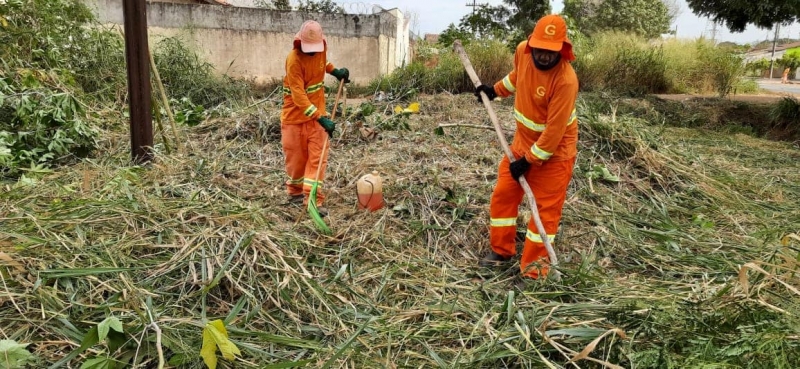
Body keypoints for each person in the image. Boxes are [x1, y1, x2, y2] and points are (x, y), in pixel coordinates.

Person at [474, 14, 579, 279]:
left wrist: (528, 162)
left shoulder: (565, 81)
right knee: (503, 195)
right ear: (532, 43)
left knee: (543, 214)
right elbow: (516, 77)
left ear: (561, 49)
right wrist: (494, 90)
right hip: (522, 144)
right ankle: (501, 250)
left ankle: (534, 273)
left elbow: (553, 136)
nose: (543, 55)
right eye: (540, 48)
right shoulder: (523, 51)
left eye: (550, 51)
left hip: (554, 155)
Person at [281, 20, 349, 216]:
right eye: (308, 49)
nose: (312, 52)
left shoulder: (321, 49)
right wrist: (321, 118)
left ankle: (313, 200)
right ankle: (294, 193)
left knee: (318, 158)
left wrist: (335, 71)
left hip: (317, 117)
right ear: (299, 42)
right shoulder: (293, 60)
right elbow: (299, 96)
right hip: (294, 118)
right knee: (296, 160)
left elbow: (322, 62)